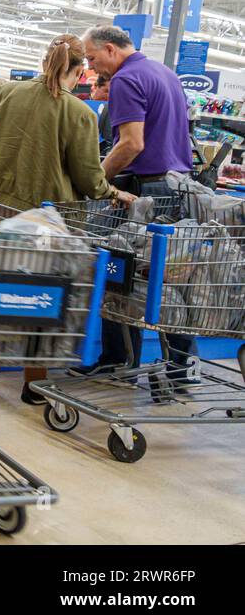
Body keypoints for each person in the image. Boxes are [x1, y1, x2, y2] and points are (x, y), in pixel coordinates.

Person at [0, 35, 134, 403]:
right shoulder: (81, 114)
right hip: (51, 219)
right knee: (45, 296)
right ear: (80, 71)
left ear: (44, 62)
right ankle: (34, 382)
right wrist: (114, 193)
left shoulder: (5, 93)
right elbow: (89, 177)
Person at [82, 25, 197, 378]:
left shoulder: (126, 80)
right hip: (176, 187)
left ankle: (119, 359)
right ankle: (179, 364)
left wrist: (96, 180)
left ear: (112, 50)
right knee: (168, 278)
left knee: (117, 270)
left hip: (142, 190)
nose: (91, 66)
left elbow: (132, 144)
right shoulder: (165, 73)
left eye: (92, 57)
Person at [91, 73, 113, 156]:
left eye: (112, 92)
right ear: (96, 87)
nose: (108, 96)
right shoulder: (80, 100)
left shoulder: (113, 109)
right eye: (106, 91)